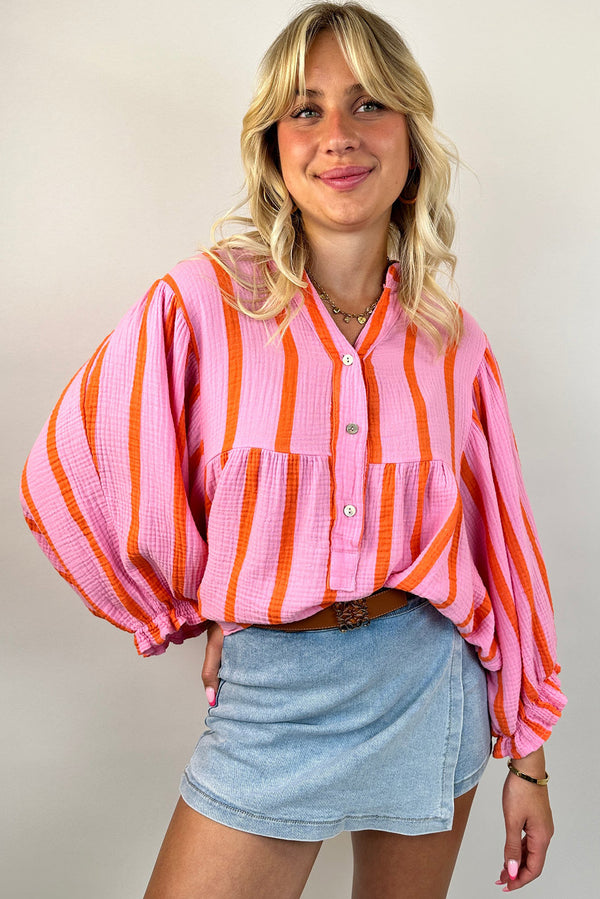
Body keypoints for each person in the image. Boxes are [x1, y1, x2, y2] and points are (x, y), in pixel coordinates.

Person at [20, 3, 566, 897]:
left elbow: (500, 551)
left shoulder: (455, 343)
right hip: (272, 698)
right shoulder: (201, 304)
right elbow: (74, 469)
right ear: (274, 145)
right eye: (306, 110)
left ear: (410, 137)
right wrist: (200, 603)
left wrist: (531, 760)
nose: (338, 136)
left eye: (368, 105)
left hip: (428, 682)